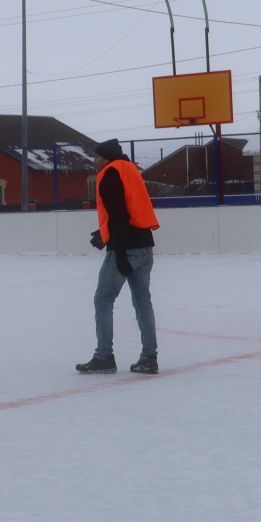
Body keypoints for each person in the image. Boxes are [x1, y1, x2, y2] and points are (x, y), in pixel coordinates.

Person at [77, 139, 160, 375]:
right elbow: (128, 210)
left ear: (107, 157)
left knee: (102, 300)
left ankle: (104, 357)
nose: (94, 161)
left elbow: (119, 216)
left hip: (126, 248)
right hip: (144, 245)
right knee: (143, 302)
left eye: (97, 157)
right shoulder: (129, 169)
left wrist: (120, 251)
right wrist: (103, 235)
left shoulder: (109, 174)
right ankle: (149, 357)